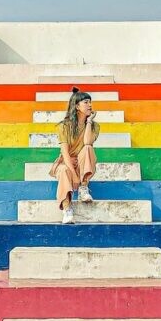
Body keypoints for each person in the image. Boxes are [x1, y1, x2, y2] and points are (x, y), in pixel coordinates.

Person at [49, 87, 100, 224]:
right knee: (64, 170)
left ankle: (84, 188)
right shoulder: (64, 126)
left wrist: (89, 122)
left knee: (88, 148)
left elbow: (87, 142)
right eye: (86, 102)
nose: (90, 105)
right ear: (77, 106)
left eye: (90, 102)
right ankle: (67, 210)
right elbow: (65, 154)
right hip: (67, 163)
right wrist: (74, 174)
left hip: (83, 163)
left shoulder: (94, 126)